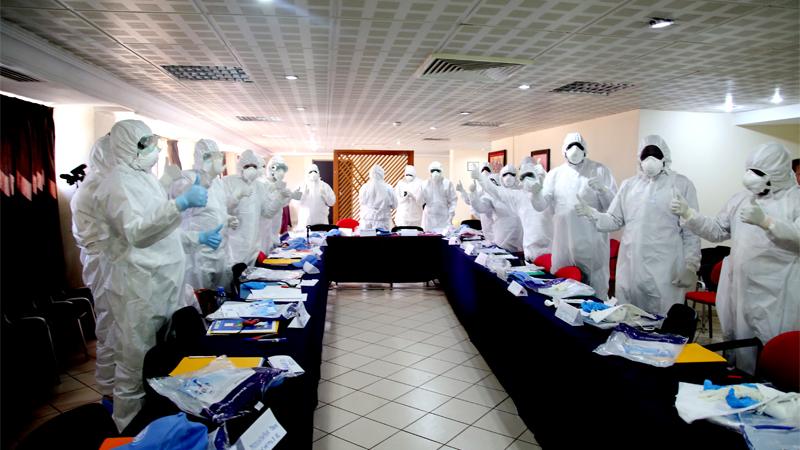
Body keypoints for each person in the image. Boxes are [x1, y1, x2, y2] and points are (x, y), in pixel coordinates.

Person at [96, 120, 216, 430]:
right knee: (135, 366)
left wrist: (197, 238)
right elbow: (137, 232)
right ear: (127, 146)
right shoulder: (116, 183)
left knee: (162, 361)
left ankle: (158, 426)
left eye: (153, 142)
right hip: (138, 288)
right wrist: (180, 204)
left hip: (162, 283)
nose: (154, 149)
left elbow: (165, 232)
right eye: (145, 143)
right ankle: (129, 434)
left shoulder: (145, 179)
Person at [671, 142, 799, 373]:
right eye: (749, 169)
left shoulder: (795, 201)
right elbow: (717, 230)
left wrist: (768, 222)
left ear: (777, 173)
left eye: (758, 172)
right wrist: (689, 214)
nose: (750, 176)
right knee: (740, 347)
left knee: (773, 351)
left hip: (777, 292)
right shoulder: (741, 199)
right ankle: (739, 382)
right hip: (740, 288)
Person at [575, 135, 701, 315]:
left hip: (664, 270)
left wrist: (691, 266)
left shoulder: (681, 184)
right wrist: (593, 214)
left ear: (665, 157)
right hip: (630, 268)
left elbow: (691, 230)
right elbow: (615, 220)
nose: (650, 159)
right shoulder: (629, 185)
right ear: (639, 158)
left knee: (661, 319)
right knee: (628, 316)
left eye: (655, 154)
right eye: (645, 155)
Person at [528, 132, 617, 298]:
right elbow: (540, 206)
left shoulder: (599, 170)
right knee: (561, 291)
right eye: (570, 146)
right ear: (564, 150)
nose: (575, 150)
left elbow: (613, 208)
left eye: (579, 146)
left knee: (594, 294)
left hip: (591, 244)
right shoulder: (555, 174)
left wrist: (603, 190)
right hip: (563, 244)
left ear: (586, 150)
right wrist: (535, 194)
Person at [70, 134, 116, 402]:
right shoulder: (90, 191)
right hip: (105, 269)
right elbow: (93, 240)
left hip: (121, 269)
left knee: (126, 330)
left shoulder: (114, 185)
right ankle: (109, 391)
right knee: (111, 327)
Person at [168, 139, 236, 290]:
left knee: (221, 295)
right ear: (203, 158)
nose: (218, 160)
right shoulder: (187, 177)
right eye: (214, 156)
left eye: (219, 155)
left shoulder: (218, 183)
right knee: (201, 295)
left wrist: (227, 218)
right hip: (198, 251)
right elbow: (180, 198)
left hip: (220, 248)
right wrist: (202, 180)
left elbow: (216, 209)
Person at [476, 162, 552, 260]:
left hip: (549, 250)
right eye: (523, 177)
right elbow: (496, 191)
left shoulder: (550, 195)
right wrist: (480, 179)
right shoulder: (519, 196)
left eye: (530, 175)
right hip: (527, 250)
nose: (527, 179)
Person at [224, 150, 287, 266]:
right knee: (234, 273)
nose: (251, 169)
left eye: (254, 166)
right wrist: (236, 197)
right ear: (240, 166)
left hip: (254, 246)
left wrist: (280, 198)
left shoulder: (259, 187)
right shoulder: (228, 182)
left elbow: (267, 213)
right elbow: (221, 208)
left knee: (251, 274)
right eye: (247, 166)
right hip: (233, 246)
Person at [469, 163, 524, 253]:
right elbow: (480, 208)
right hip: (503, 240)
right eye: (505, 174)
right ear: (500, 177)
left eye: (512, 174)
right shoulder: (495, 194)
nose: (509, 177)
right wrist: (473, 195)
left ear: (516, 176)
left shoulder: (522, 193)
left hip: (521, 242)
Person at [262, 155, 301, 248]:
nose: (282, 173)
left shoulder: (279, 184)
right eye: (279, 170)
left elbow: (282, 204)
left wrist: (291, 196)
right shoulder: (264, 184)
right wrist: (282, 196)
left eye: (283, 171)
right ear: (271, 170)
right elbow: (269, 207)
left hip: (276, 224)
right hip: (266, 225)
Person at [456, 162, 495, 243]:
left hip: (493, 217)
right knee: (487, 236)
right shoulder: (476, 184)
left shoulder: (494, 183)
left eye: (487, 169)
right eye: (483, 169)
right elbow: (469, 200)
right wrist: (462, 191)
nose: (485, 172)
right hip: (480, 217)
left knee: (494, 236)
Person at [421, 161, 457, 233]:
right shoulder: (424, 184)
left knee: (442, 236)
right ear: (429, 171)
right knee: (429, 236)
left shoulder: (447, 183)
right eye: (432, 170)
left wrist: (451, 215)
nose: (435, 173)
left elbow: (453, 200)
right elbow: (420, 200)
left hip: (444, 217)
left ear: (441, 171)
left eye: (437, 170)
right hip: (429, 218)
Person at [296, 163, 336, 229]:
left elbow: (332, 202)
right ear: (307, 173)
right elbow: (296, 202)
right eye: (310, 171)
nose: (313, 173)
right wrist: (303, 194)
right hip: (306, 220)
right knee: (306, 234)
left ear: (318, 173)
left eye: (315, 171)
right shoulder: (302, 185)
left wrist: (325, 196)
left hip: (321, 220)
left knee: (321, 234)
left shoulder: (325, 186)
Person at [359, 164, 396, 230]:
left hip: (366, 221)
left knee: (366, 236)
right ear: (382, 174)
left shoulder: (364, 188)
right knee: (382, 235)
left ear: (370, 174)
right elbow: (394, 205)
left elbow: (361, 202)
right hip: (382, 221)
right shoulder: (388, 188)